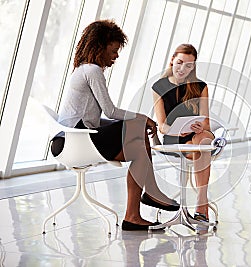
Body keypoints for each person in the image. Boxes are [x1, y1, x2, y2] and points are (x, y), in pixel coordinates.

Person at [51, 20, 179, 231]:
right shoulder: (92, 71)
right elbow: (110, 111)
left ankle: (134, 215)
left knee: (138, 148)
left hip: (70, 140)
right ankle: (149, 195)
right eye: (114, 50)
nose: (117, 55)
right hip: (75, 142)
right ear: (100, 45)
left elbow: (94, 119)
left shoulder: (83, 70)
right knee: (137, 130)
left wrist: (134, 121)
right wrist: (142, 118)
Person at [152, 44, 214, 228]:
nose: (182, 69)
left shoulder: (200, 86)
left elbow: (206, 122)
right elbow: (162, 125)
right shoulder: (158, 87)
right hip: (174, 136)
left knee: (202, 138)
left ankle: (201, 201)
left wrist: (198, 126)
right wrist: (177, 130)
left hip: (197, 135)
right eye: (180, 63)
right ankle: (202, 208)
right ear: (172, 59)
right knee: (201, 146)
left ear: (193, 66)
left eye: (189, 65)